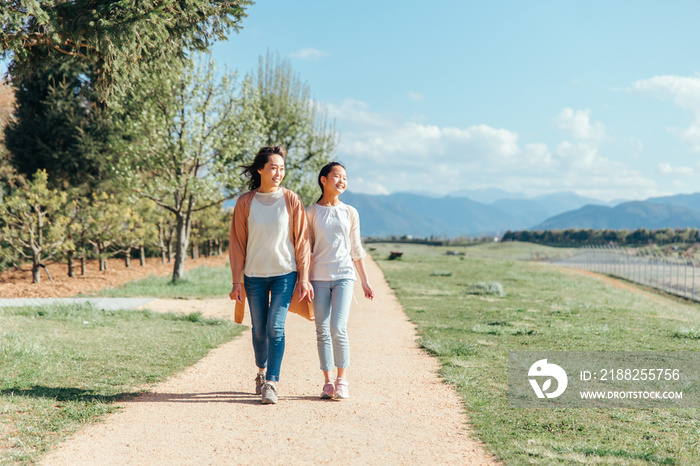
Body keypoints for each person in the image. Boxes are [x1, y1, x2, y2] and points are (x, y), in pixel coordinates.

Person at [229, 145, 313, 404]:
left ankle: (272, 383)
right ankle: (261, 372)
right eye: (273, 168)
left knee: (275, 327)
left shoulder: (291, 200)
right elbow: (237, 243)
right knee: (258, 330)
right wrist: (237, 280)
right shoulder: (245, 202)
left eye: (282, 168)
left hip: (284, 273)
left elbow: (302, 241)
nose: (278, 173)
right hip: (254, 274)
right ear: (260, 169)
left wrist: (304, 276)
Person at [306, 162, 375, 400]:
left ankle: (342, 379)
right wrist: (303, 280)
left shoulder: (350, 212)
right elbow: (307, 249)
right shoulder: (311, 212)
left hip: (345, 275)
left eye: (345, 177)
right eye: (337, 176)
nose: (342, 181)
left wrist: (365, 281)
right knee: (322, 329)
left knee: (338, 327)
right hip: (318, 277)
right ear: (323, 180)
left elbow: (356, 249)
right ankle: (327, 382)